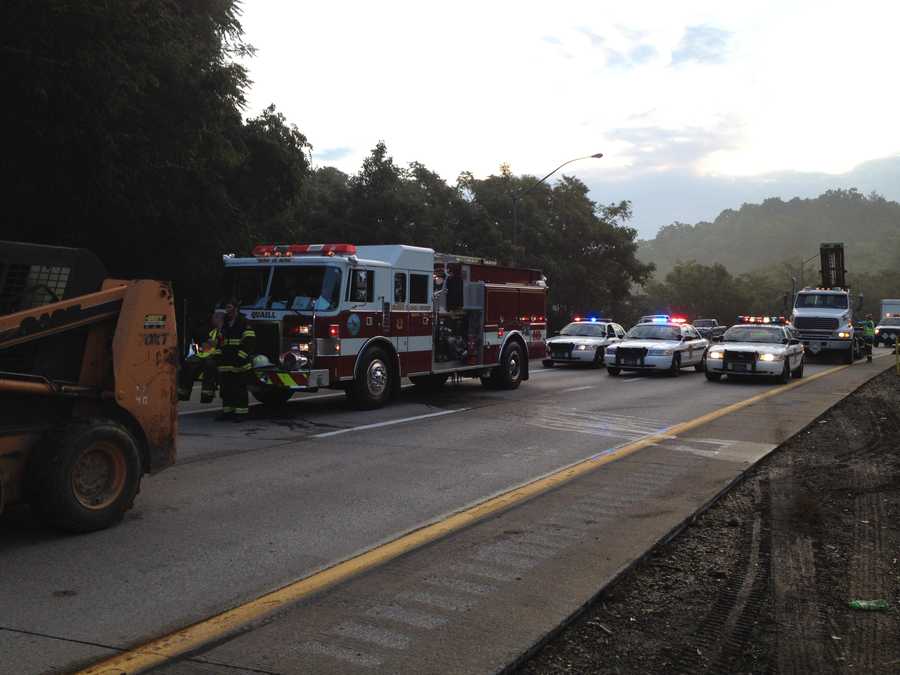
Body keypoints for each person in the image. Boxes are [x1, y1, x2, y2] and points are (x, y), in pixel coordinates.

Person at [217, 299, 256, 421]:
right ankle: (227, 412)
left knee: (239, 388)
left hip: (239, 362)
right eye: (226, 308)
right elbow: (220, 340)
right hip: (226, 361)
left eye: (229, 307)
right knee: (226, 388)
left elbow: (249, 342)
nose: (227, 310)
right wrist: (218, 355)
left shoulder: (244, 322)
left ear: (235, 308)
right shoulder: (225, 323)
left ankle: (241, 413)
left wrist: (241, 356)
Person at [177, 311, 224, 402]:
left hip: (218, 357)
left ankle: (207, 394)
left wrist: (217, 343)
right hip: (204, 355)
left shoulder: (226, 330)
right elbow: (201, 345)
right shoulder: (209, 330)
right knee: (188, 363)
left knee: (209, 365)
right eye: (215, 317)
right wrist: (204, 346)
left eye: (218, 317)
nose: (215, 319)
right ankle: (183, 393)